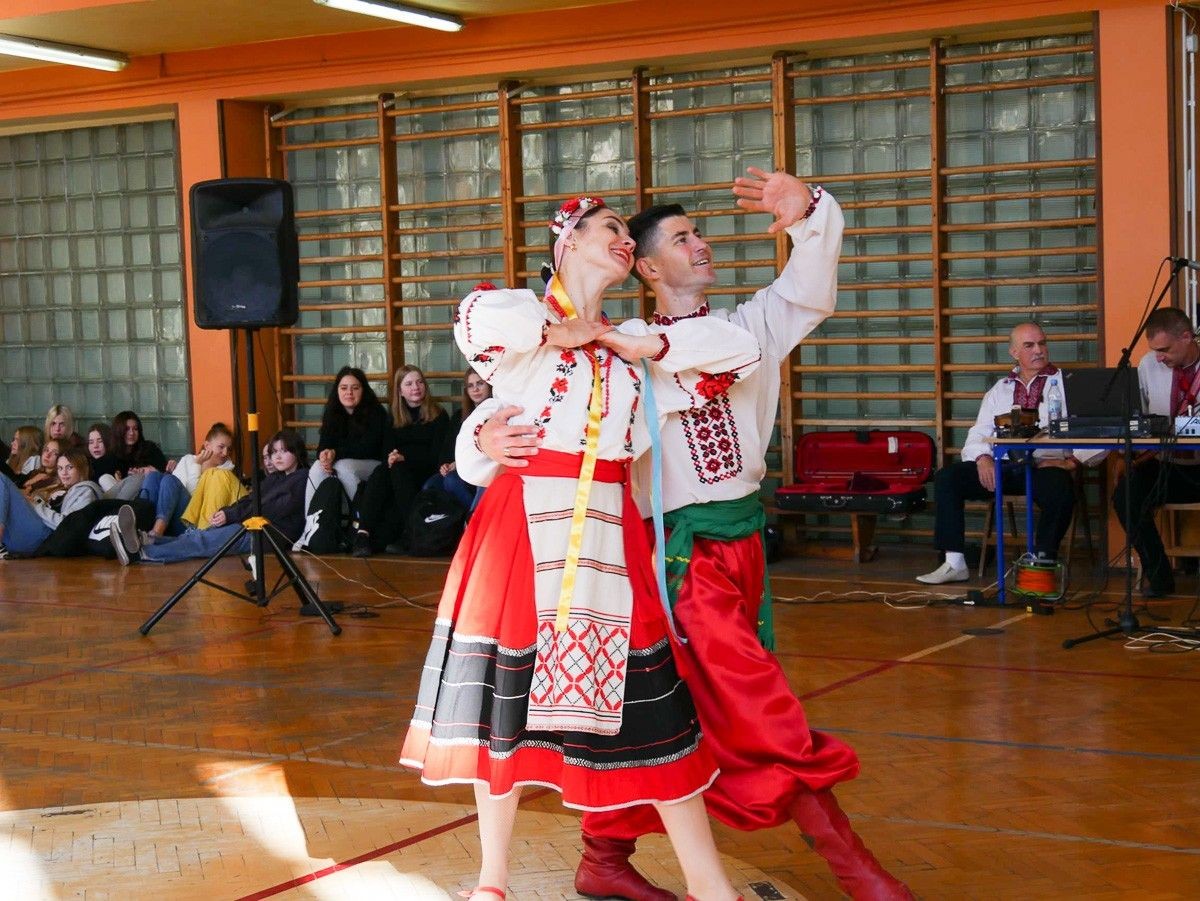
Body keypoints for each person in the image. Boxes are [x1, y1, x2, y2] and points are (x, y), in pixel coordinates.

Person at [465, 171, 911, 900]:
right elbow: (530, 400)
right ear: (644, 266)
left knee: (659, 706)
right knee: (757, 702)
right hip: (674, 553)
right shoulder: (615, 352)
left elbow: (803, 295)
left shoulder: (737, 328)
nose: (702, 245)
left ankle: (603, 857)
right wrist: (482, 434)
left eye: (699, 233)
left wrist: (810, 215)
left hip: (746, 543)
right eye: (681, 238)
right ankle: (856, 870)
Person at [400, 195, 763, 901]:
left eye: (629, 233)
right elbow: (474, 320)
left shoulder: (632, 347)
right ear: (566, 241)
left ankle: (710, 885)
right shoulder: (521, 320)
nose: (624, 240)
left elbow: (739, 353)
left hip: (608, 531)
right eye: (610, 228)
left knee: (654, 710)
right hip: (521, 525)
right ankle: (492, 881)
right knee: (504, 705)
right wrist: (490, 424)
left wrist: (642, 345)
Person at [916, 322, 1100, 585]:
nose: (1038, 350)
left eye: (1042, 343)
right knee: (948, 478)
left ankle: (1041, 565)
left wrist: (1072, 461)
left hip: (1045, 468)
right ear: (1014, 352)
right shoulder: (1000, 389)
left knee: (1060, 489)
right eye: (1029, 345)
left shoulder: (1068, 383)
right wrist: (983, 459)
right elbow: (979, 432)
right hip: (1004, 468)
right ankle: (954, 562)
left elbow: (1096, 429)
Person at [110, 429, 308, 565]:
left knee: (202, 541)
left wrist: (232, 515)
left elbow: (274, 508)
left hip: (265, 535)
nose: (277, 457)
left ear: (297, 452)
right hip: (250, 525)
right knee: (199, 536)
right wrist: (227, 512)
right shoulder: (275, 478)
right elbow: (250, 500)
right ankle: (147, 541)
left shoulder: (301, 478)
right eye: (274, 452)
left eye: (284, 451)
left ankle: (142, 552)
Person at [1113, 306, 1200, 596]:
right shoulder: (1149, 364)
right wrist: (1124, 456)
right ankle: (1159, 575)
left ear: (1186, 337)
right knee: (1126, 494)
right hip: (1166, 465)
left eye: (1164, 350)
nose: (1159, 357)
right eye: (1155, 350)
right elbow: (1138, 417)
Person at [351, 364, 450, 556]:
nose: (416, 387)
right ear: (400, 391)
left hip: (426, 471)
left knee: (395, 468)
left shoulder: (438, 415)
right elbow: (386, 452)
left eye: (419, 382)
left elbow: (437, 456)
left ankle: (410, 532)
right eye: (409, 384)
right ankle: (363, 534)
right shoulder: (393, 417)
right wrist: (392, 458)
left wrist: (405, 458)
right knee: (383, 470)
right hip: (398, 473)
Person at [305, 366, 391, 512]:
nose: (349, 392)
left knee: (343, 467)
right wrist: (325, 456)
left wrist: (335, 453)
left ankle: (362, 517)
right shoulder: (332, 412)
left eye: (355, 388)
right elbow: (324, 445)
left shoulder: (376, 412)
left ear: (363, 390)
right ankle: (311, 522)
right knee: (317, 467)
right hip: (343, 462)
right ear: (337, 390)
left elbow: (368, 448)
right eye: (344, 388)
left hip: (375, 465)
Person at [138, 422, 242, 537]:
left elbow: (195, 499)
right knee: (153, 477)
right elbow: (171, 493)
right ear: (207, 446)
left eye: (229, 449)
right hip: (169, 515)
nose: (225, 453)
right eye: (221, 447)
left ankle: (156, 533)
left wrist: (197, 465)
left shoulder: (224, 472)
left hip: (190, 523)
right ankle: (141, 529)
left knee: (170, 480)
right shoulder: (187, 460)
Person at [0, 447, 101, 558]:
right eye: (60, 468)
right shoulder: (64, 488)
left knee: (1, 480)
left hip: (46, 537)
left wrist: (34, 506)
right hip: (37, 530)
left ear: (82, 469)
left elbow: (68, 525)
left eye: (69, 467)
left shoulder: (85, 491)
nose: (64, 473)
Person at [421, 368, 492, 511]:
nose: (475, 389)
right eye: (470, 386)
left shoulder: (496, 413)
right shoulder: (459, 416)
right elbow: (447, 449)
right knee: (430, 485)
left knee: (451, 481)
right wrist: (445, 465)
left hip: (482, 471)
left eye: (480, 383)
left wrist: (458, 464)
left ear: (489, 385)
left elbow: (488, 454)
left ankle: (473, 518)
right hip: (458, 471)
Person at [111, 410, 170, 474]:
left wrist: (151, 471)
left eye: (135, 429)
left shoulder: (150, 449)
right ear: (118, 431)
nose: (131, 433)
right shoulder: (111, 456)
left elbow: (165, 472)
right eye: (127, 429)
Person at [85, 422, 122, 489]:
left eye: (100, 441)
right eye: (91, 442)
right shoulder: (85, 464)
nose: (95, 446)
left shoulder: (117, 463)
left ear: (108, 442)